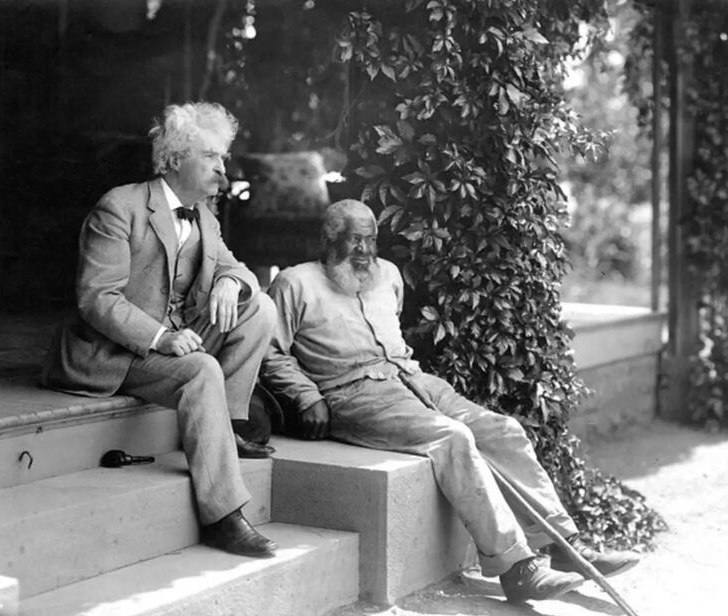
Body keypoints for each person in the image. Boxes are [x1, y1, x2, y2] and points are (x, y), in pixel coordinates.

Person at [260, 199, 640, 602]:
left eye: (371, 240)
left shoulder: (387, 274)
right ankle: (516, 568)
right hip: (353, 394)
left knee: (502, 429)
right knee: (451, 437)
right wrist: (306, 396)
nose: (365, 252)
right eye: (354, 241)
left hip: (413, 379)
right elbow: (270, 352)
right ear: (328, 239)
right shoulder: (294, 283)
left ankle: (565, 547)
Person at [41, 102, 277, 558]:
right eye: (212, 157)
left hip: (173, 340)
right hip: (114, 351)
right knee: (200, 369)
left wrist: (230, 281)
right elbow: (97, 298)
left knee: (259, 307)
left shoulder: (204, 215)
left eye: (222, 158)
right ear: (175, 157)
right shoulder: (120, 206)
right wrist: (162, 337)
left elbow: (240, 270)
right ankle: (223, 516)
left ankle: (223, 428)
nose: (222, 169)